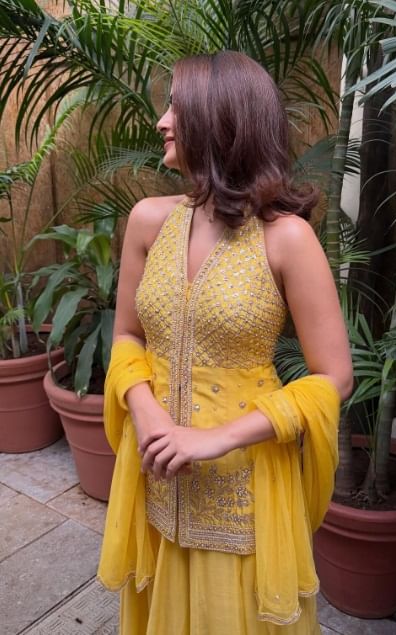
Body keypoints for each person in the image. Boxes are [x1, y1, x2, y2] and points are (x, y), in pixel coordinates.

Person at [97, 50, 353, 635]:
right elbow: (127, 335)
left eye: (176, 107)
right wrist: (146, 412)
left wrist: (215, 439)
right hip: (154, 471)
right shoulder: (148, 221)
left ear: (221, 118)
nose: (162, 121)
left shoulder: (286, 239)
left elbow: (334, 376)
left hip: (243, 483)